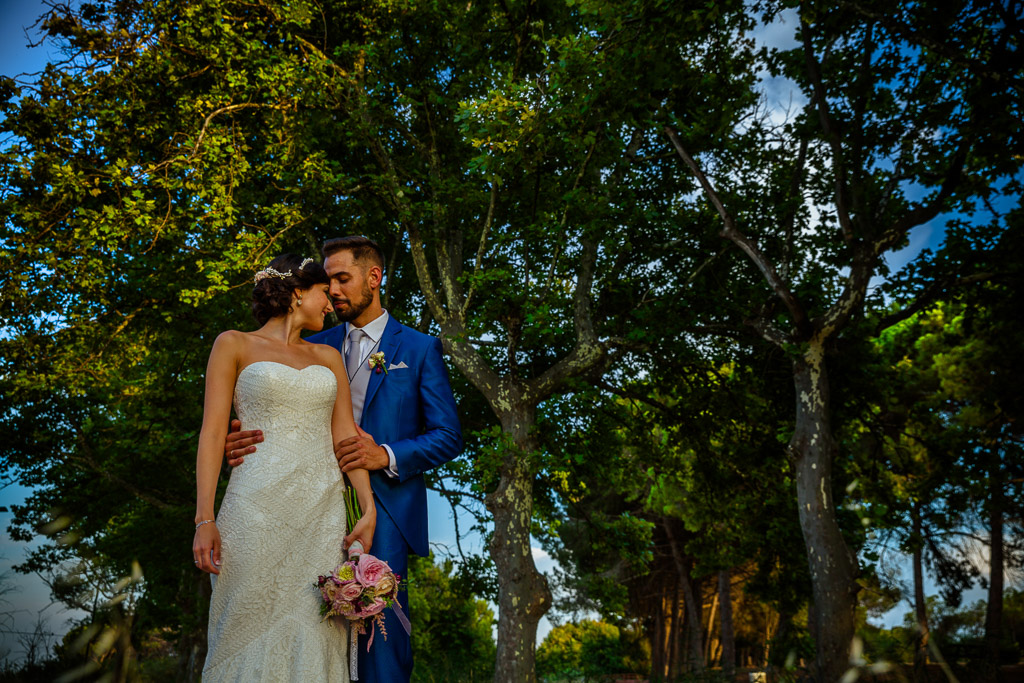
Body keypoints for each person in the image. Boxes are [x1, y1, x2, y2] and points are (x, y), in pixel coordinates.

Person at [224, 236, 463, 682]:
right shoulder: (313, 338)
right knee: (308, 636)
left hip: (383, 511)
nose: (332, 290)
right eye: (326, 280)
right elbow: (266, 400)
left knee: (381, 643)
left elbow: (449, 436)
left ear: (374, 278)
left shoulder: (417, 348)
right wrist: (239, 435)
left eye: (342, 278)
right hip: (298, 507)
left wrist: (386, 453)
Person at [193, 254, 377, 682]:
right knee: (242, 625)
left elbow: (346, 438)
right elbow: (211, 434)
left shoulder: (329, 358)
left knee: (314, 632)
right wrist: (204, 517)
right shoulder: (233, 344)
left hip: (320, 517)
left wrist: (366, 508)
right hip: (253, 510)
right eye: (322, 294)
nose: (330, 304)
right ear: (297, 293)